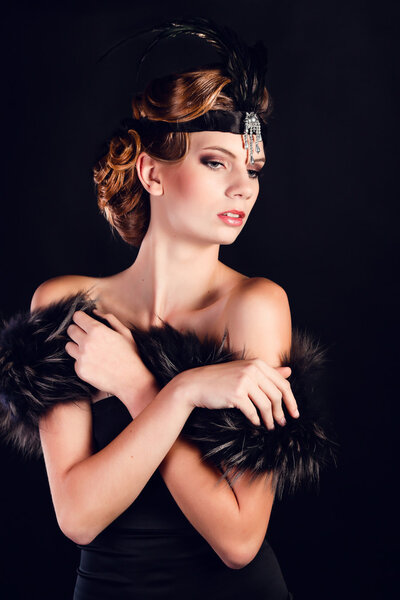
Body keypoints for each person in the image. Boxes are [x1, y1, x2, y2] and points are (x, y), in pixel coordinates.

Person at [0, 18, 333, 600]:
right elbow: (78, 514)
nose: (243, 188)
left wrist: (144, 388)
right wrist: (186, 391)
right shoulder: (64, 305)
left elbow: (238, 539)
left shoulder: (254, 306)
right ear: (152, 172)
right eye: (214, 162)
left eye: (250, 168)